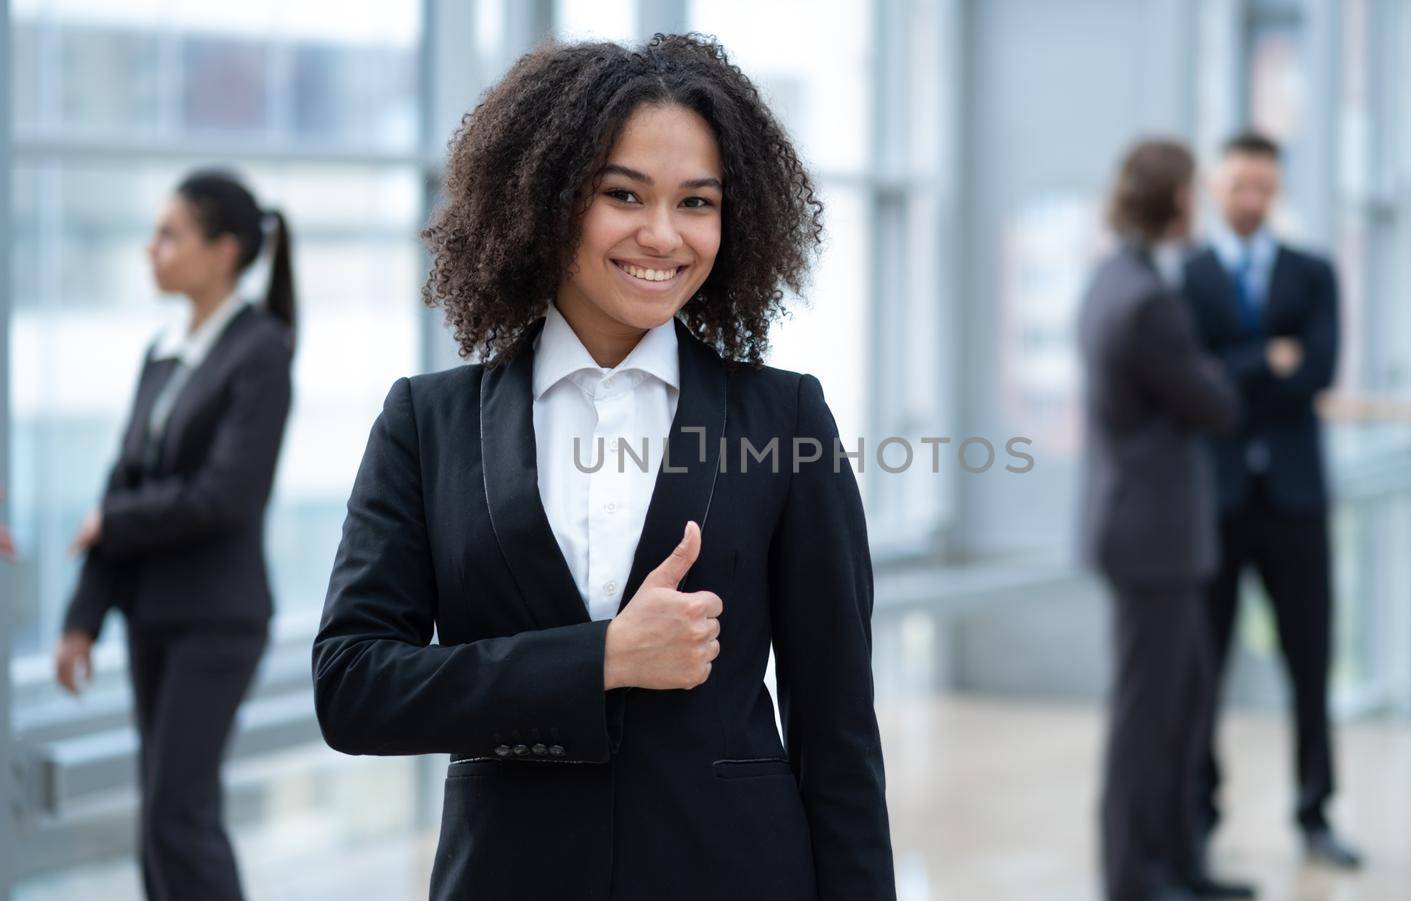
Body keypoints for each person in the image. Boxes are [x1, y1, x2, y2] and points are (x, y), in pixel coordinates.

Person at [312, 35, 895, 900]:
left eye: (697, 202)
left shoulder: (785, 418)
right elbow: (353, 686)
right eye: (624, 193)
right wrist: (602, 659)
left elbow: (838, 731)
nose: (663, 234)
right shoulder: (427, 422)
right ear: (544, 199)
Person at [55, 170, 295, 900]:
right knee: (161, 821)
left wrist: (115, 521)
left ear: (224, 251)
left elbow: (226, 495)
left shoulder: (260, 351)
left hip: (217, 618)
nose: (150, 250)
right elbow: (119, 485)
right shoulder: (164, 351)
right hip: (153, 613)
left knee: (176, 815)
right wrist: (80, 620)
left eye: (169, 235)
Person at [1078, 138, 1251, 901]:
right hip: (1151, 535)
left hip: (1146, 528)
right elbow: (1215, 401)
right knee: (1150, 717)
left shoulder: (1113, 278)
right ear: (1175, 199)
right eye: (1194, 192)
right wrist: (1231, 369)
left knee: (1180, 707)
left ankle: (1177, 866)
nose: (1201, 204)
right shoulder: (1149, 299)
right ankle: (1136, 876)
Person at [1180, 131, 1359, 868]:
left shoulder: (1314, 272)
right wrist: (1263, 359)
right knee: (1203, 665)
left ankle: (1315, 811)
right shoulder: (1187, 275)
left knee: (1310, 659)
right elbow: (1192, 380)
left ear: (1276, 190)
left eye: (1263, 185)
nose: (1250, 198)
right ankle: (1198, 813)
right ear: (1215, 189)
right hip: (1215, 502)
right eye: (1238, 185)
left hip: (1294, 498)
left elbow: (1316, 370)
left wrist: (1233, 370)